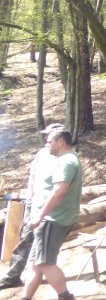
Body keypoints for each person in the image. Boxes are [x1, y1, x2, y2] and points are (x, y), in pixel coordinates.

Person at [2, 127, 82, 300]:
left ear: (61, 142)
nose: (47, 145)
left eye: (50, 142)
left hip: (52, 219)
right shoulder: (59, 160)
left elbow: (59, 192)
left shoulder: (67, 162)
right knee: (38, 265)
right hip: (47, 218)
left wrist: (40, 216)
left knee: (45, 263)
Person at [0, 123, 62, 290]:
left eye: (49, 136)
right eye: (45, 136)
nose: (46, 139)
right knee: (26, 239)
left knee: (45, 244)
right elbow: (33, 178)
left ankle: (46, 275)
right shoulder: (41, 154)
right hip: (34, 203)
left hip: (51, 207)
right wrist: (29, 199)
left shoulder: (63, 157)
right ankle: (13, 276)